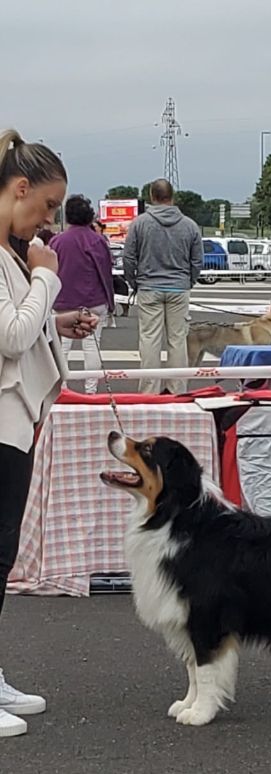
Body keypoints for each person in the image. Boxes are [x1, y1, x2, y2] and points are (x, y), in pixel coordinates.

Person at [0, 128, 97, 738]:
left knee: (2, 555)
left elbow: (18, 324)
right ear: (20, 188)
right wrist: (47, 280)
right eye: (47, 206)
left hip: (15, 418)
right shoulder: (18, 257)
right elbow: (11, 335)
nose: (49, 221)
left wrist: (54, 320)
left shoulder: (11, 253)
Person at [123, 178, 203, 394]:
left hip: (149, 287)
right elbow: (197, 260)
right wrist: (188, 281)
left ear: (152, 196)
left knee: (150, 339)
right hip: (179, 287)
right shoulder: (190, 225)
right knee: (177, 340)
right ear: (172, 196)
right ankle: (177, 389)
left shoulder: (139, 224)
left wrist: (134, 282)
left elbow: (128, 257)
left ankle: (149, 390)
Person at [51, 194, 114, 394]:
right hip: (93, 300)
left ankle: (61, 388)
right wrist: (110, 302)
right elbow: (106, 273)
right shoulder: (97, 241)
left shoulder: (56, 242)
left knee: (62, 347)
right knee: (92, 346)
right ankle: (90, 390)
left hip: (63, 301)